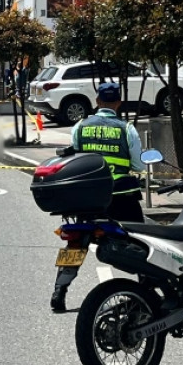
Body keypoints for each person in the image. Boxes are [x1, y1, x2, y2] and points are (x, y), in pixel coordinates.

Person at [50, 81, 144, 311]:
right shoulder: (126, 129)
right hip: (121, 197)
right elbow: (139, 165)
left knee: (75, 244)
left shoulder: (80, 127)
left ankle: (59, 291)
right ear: (118, 102)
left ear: (98, 101)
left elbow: (73, 157)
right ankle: (146, 289)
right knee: (143, 241)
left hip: (88, 198)